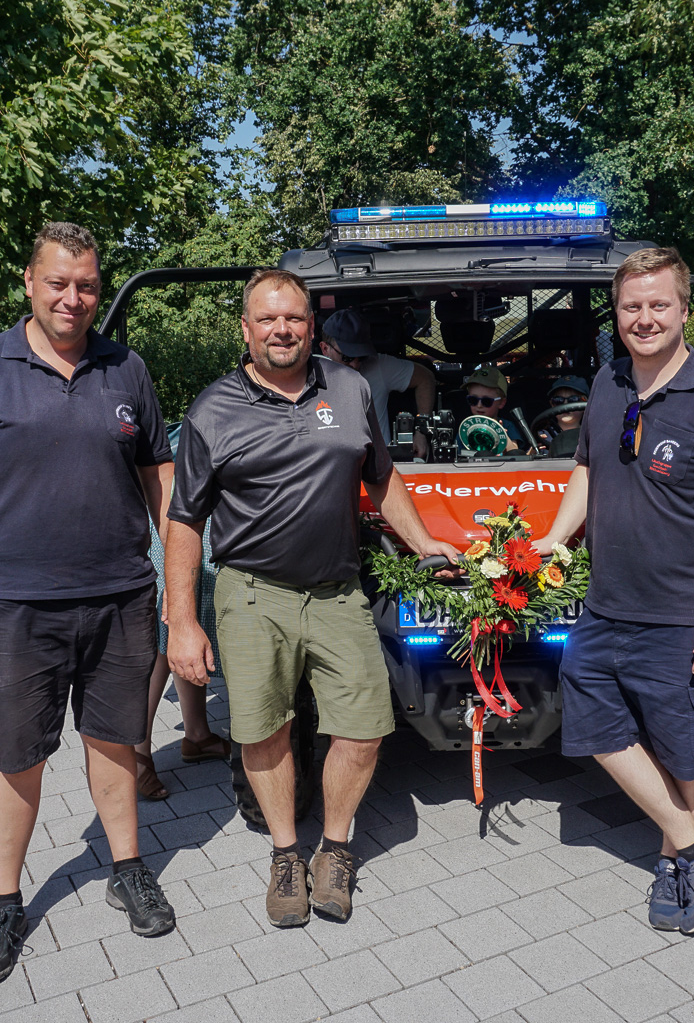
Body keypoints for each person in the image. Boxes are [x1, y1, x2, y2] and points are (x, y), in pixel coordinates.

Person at [0, 222, 178, 987]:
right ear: (29, 283)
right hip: (11, 603)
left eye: (87, 285)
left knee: (116, 741)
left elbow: (159, 479)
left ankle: (127, 869)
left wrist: (178, 581)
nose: (73, 297)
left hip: (119, 596)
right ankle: (4, 902)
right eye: (58, 282)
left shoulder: (126, 368)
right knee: (17, 755)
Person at [164, 269, 462, 928]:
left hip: (337, 592)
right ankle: (285, 854)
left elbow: (381, 477)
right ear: (246, 329)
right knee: (263, 729)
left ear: (311, 325)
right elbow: (184, 519)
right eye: (268, 319)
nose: (282, 330)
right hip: (251, 593)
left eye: (294, 318)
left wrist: (423, 543)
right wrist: (181, 619)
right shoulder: (213, 408)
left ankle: (335, 848)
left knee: (364, 726)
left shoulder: (349, 388)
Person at [534, 247, 694, 936]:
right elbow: (586, 467)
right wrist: (555, 537)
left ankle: (675, 861)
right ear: (617, 312)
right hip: (606, 604)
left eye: (658, 304)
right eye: (631, 306)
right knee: (592, 720)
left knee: (684, 749)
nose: (644, 318)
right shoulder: (608, 382)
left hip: (684, 613)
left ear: (684, 309)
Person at [136, 523, 231, 802]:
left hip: (203, 516)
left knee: (191, 619)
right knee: (165, 628)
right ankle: (137, 752)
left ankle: (197, 734)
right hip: (170, 521)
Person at [318, 308, 435, 458]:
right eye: (347, 357)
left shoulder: (378, 366)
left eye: (361, 357)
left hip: (378, 465)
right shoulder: (308, 376)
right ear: (325, 348)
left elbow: (425, 378)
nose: (355, 364)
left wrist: (421, 431)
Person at [462, 364, 527, 451]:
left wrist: (502, 434)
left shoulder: (507, 426)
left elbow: (514, 452)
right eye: (473, 400)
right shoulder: (465, 427)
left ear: (501, 403)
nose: (479, 405)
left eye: (486, 401)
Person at [535, 376, 589, 456]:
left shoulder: (592, 435)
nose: (565, 404)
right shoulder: (543, 436)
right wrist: (534, 451)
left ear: (585, 404)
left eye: (573, 399)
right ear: (552, 404)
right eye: (558, 400)